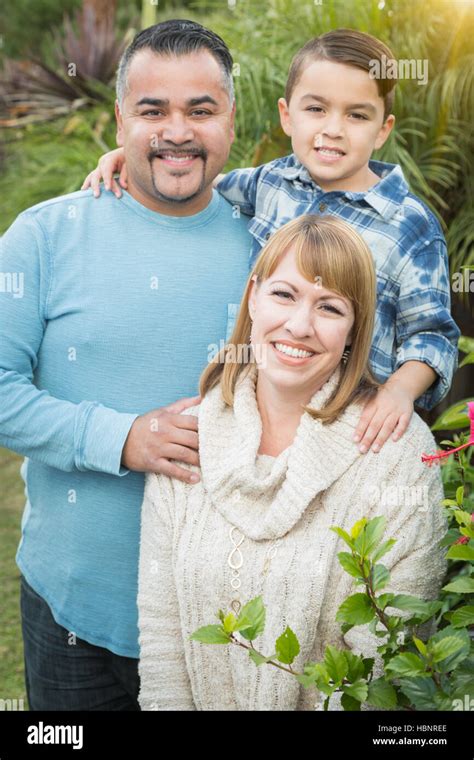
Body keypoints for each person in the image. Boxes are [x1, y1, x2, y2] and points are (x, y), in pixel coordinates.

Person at [0, 19, 253, 710]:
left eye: (201, 110)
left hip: (226, 620)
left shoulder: (275, 247)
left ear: (231, 119)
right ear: (120, 121)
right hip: (73, 607)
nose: (177, 131)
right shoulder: (44, 237)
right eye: (152, 111)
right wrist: (122, 438)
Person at [85, 28, 460, 457]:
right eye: (316, 109)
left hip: (349, 431)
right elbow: (195, 178)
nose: (333, 129)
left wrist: (399, 391)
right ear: (287, 116)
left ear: (382, 129)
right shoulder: (270, 183)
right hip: (257, 418)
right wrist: (130, 160)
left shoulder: (409, 224)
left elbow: (432, 335)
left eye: (357, 116)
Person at [137, 214, 448, 711]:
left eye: (329, 307)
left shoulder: (398, 454)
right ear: (253, 296)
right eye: (284, 295)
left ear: (354, 329)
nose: (299, 326)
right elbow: (162, 648)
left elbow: (388, 668)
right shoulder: (190, 437)